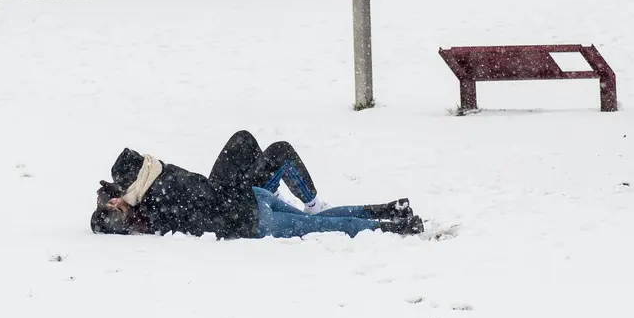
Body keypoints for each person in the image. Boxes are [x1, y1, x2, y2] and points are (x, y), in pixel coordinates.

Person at [91, 130, 423, 239]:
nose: (115, 200)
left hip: (243, 200)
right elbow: (121, 214)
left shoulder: (152, 184)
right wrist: (119, 208)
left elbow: (118, 191)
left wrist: (114, 197)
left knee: (249, 142)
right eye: (113, 206)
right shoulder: (151, 211)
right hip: (247, 219)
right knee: (321, 226)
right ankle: (390, 224)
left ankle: (386, 210)